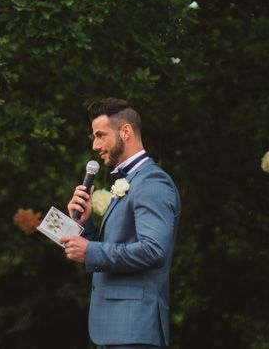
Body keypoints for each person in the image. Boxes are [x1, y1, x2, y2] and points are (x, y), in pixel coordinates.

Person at [63, 98, 181, 349]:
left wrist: (90, 251)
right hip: (113, 331)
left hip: (134, 330)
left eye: (100, 135)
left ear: (125, 131)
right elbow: (116, 247)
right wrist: (85, 226)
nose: (95, 145)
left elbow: (153, 251)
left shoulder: (152, 182)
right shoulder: (131, 181)